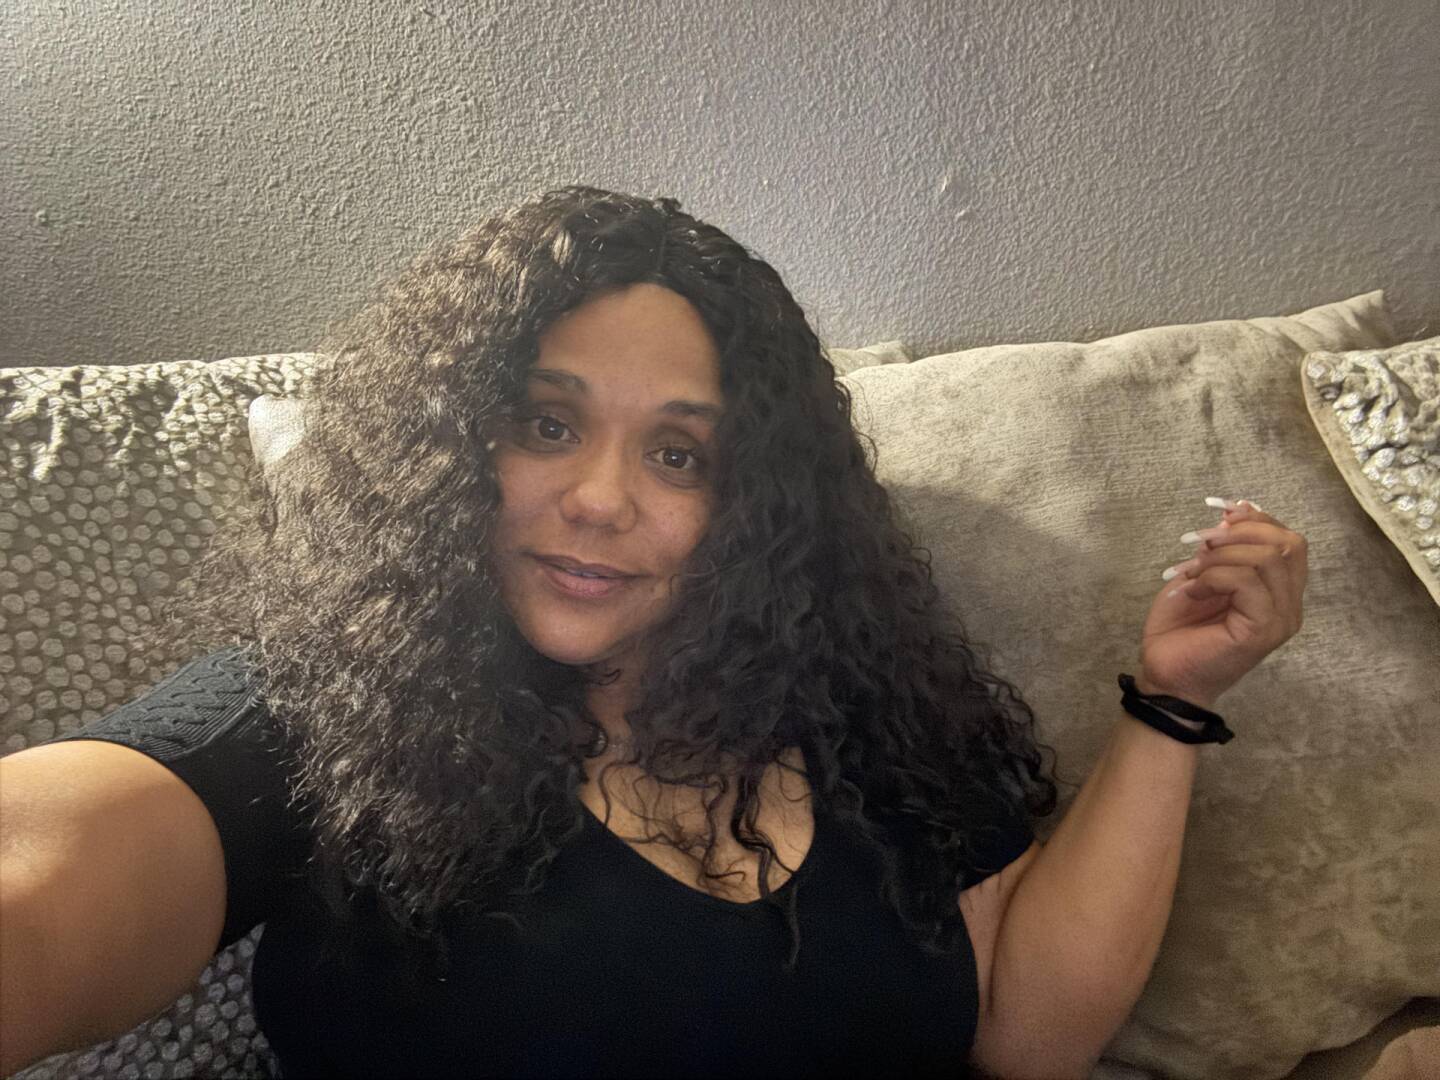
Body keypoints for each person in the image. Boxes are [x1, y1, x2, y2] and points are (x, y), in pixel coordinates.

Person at [0, 186, 1307, 1079]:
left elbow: (1024, 1031)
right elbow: (46, 889)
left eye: (679, 453)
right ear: (450, 448)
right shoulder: (319, 715)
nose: (601, 498)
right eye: (548, 424)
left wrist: (1174, 698)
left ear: (753, 501)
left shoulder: (869, 708)